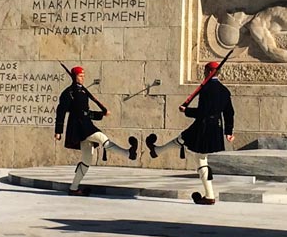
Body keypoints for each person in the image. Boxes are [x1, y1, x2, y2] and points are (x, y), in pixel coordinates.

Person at [145, 61, 235, 205]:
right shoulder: (224, 91)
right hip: (215, 127)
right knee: (183, 138)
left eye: (205, 70)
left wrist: (186, 111)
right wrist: (228, 131)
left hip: (203, 126)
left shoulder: (206, 89)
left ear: (207, 71)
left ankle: (210, 196)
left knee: (200, 158)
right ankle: (157, 150)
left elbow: (202, 112)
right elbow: (229, 113)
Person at [55, 66, 138, 196]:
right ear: (74, 76)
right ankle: (128, 153)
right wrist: (58, 130)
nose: (83, 78)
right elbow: (60, 111)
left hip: (86, 124)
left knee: (87, 160)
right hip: (78, 127)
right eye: (80, 76)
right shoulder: (68, 93)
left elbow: (85, 113)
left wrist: (101, 114)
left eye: (83, 76)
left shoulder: (83, 91)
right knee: (102, 138)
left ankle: (73, 188)